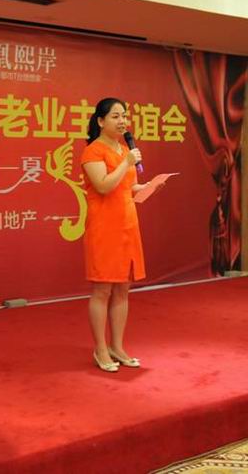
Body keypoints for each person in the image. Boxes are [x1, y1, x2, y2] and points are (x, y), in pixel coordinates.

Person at [81, 97, 162, 372]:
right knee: (103, 288)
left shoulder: (126, 148)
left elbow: (128, 188)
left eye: (124, 116)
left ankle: (117, 346)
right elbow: (104, 186)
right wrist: (126, 162)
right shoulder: (93, 151)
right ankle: (101, 349)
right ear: (100, 121)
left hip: (128, 224)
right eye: (115, 116)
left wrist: (149, 187)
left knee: (122, 288)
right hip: (104, 227)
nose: (122, 121)